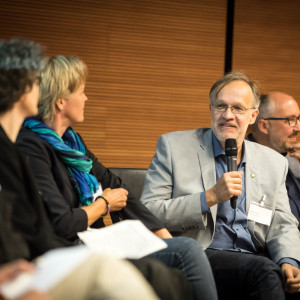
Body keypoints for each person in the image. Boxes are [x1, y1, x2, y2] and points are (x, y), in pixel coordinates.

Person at [0, 37, 196, 300]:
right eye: (36, 81)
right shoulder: (26, 147)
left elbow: (115, 185)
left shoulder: (70, 143)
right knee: (161, 266)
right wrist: (103, 204)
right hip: (53, 253)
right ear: (23, 89)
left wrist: (161, 233)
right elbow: (50, 227)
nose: (40, 87)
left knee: (171, 271)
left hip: (66, 248)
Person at [140, 71, 300, 300]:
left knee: (281, 275)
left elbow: (282, 222)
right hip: (202, 255)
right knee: (263, 272)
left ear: (254, 115)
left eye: (238, 108)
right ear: (211, 109)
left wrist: (289, 261)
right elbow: (149, 212)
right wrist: (210, 197)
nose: (227, 115)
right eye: (220, 106)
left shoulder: (273, 162)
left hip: (257, 254)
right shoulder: (174, 147)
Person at [249, 91, 300, 229]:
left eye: (299, 118)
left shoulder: (293, 162)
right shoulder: (242, 162)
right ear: (264, 126)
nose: (298, 128)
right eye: (291, 120)